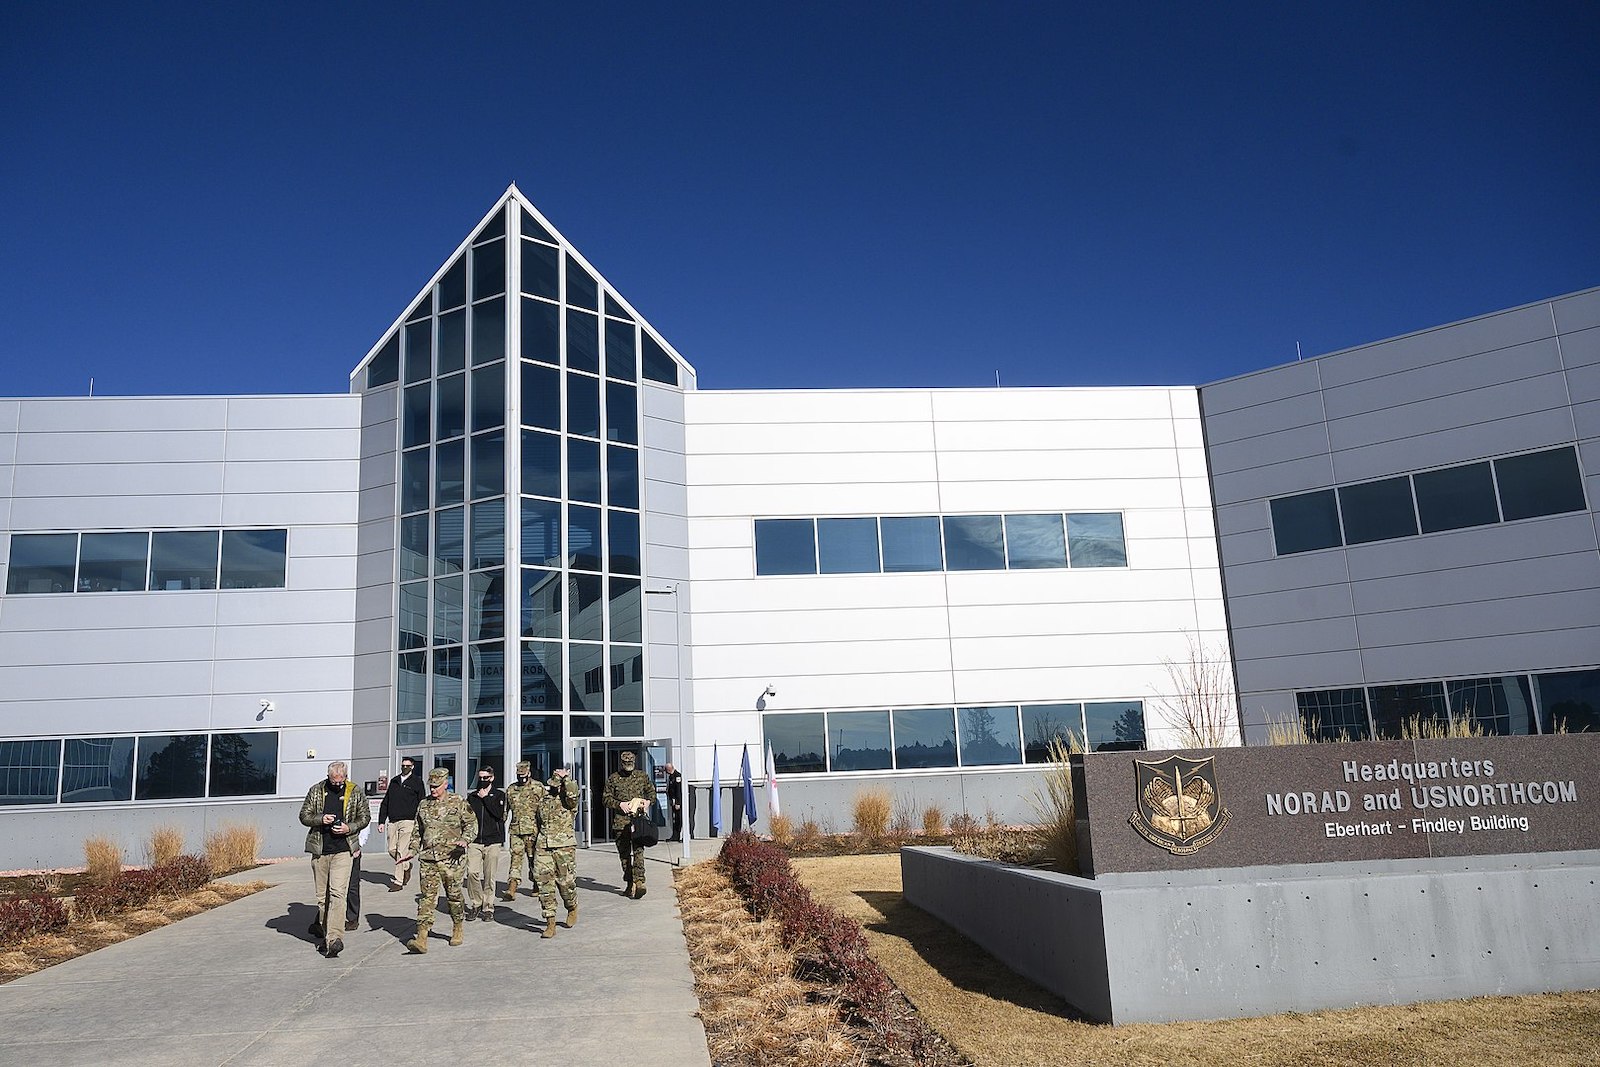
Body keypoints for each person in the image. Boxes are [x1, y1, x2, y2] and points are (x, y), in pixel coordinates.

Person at [297, 760, 370, 959]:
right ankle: (326, 933)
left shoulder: (354, 791)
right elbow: (304, 815)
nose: (337, 784)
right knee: (323, 898)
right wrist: (321, 819)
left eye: (341, 780)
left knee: (338, 893)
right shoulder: (316, 791)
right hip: (320, 850)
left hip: (343, 850)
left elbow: (365, 817)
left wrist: (350, 828)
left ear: (345, 777)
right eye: (333, 780)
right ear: (328, 776)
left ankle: (335, 939)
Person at [401, 767, 476, 953]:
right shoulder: (424, 804)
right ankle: (422, 938)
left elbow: (471, 824)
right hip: (428, 859)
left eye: (436, 786)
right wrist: (412, 850)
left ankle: (457, 927)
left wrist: (465, 841)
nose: (433, 789)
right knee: (427, 898)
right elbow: (418, 830)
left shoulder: (458, 802)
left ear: (445, 784)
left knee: (454, 896)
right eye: (431, 786)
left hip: (452, 858)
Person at [531, 766, 580, 937]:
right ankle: (550, 922)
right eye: (552, 784)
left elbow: (573, 795)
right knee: (544, 884)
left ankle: (572, 906)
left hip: (563, 847)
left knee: (565, 883)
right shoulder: (544, 800)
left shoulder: (569, 801)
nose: (553, 787)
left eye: (557, 784)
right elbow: (537, 823)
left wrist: (566, 779)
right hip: (543, 846)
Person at [602, 750, 655, 899]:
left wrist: (648, 802)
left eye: (630, 764)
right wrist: (620, 804)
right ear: (621, 763)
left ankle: (639, 882)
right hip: (621, 823)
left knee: (638, 851)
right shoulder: (613, 778)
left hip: (638, 822)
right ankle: (630, 882)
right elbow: (605, 799)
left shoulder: (642, 776)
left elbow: (651, 793)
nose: (628, 766)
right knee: (624, 856)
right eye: (626, 764)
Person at [464, 765, 507, 921]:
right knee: (472, 873)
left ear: (492, 778)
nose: (482, 780)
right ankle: (476, 903)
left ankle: (488, 907)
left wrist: (486, 798)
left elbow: (499, 814)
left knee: (489, 876)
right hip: (475, 841)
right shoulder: (472, 796)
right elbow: (467, 818)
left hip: (492, 841)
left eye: (486, 778)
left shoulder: (499, 795)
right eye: (480, 778)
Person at [378, 756, 424, 891]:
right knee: (392, 849)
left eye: (407, 765)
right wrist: (381, 821)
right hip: (393, 821)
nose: (405, 768)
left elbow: (421, 802)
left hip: (408, 821)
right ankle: (407, 866)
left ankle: (398, 881)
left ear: (412, 767)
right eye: (403, 765)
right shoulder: (394, 781)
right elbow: (386, 801)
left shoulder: (417, 782)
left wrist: (420, 822)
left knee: (401, 851)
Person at [503, 760, 540, 901]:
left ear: (529, 773)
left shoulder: (538, 788)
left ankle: (536, 883)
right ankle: (512, 887)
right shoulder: (511, 789)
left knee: (533, 859)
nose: (521, 778)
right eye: (519, 775)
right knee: (516, 858)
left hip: (533, 831)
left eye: (523, 775)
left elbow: (544, 809)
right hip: (516, 830)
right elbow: (505, 811)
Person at [665, 762, 684, 842]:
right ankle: (675, 836)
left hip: (677, 803)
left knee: (680, 819)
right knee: (675, 820)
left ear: (669, 769)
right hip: (673, 802)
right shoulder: (671, 777)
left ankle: (681, 836)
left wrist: (678, 803)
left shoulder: (677, 776)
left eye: (666, 770)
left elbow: (678, 791)